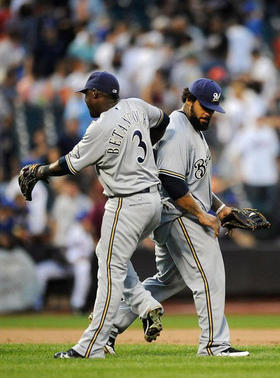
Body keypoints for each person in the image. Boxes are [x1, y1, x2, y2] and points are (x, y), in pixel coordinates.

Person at [19, 71, 170, 359]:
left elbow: (69, 165)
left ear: (97, 95)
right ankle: (144, 303)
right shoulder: (136, 105)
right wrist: (148, 145)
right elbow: (163, 120)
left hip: (126, 202)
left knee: (109, 273)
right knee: (106, 255)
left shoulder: (99, 128)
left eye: (87, 94)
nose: (85, 99)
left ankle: (91, 346)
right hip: (152, 201)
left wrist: (39, 171)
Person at [106, 78, 250, 357]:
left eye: (213, 109)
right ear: (189, 101)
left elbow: (197, 185)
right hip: (178, 215)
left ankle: (107, 330)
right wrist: (203, 215)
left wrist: (220, 209)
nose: (208, 112)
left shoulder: (194, 131)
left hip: (179, 215)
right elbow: (172, 183)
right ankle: (214, 345)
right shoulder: (176, 128)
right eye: (204, 106)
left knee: (169, 280)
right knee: (210, 276)